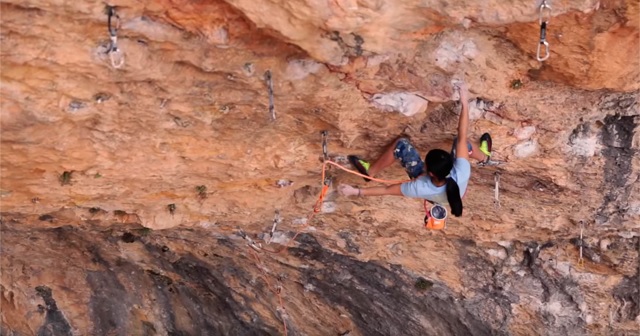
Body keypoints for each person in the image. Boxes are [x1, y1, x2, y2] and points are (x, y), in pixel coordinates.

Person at [337, 83, 492, 217]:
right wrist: (464, 102)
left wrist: (355, 192)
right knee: (463, 143)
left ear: (429, 172)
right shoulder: (462, 171)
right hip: (453, 195)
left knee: (401, 145)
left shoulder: (420, 187)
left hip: (436, 194)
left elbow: (387, 190)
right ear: (452, 165)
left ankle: (371, 171)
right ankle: (484, 158)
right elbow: (462, 133)